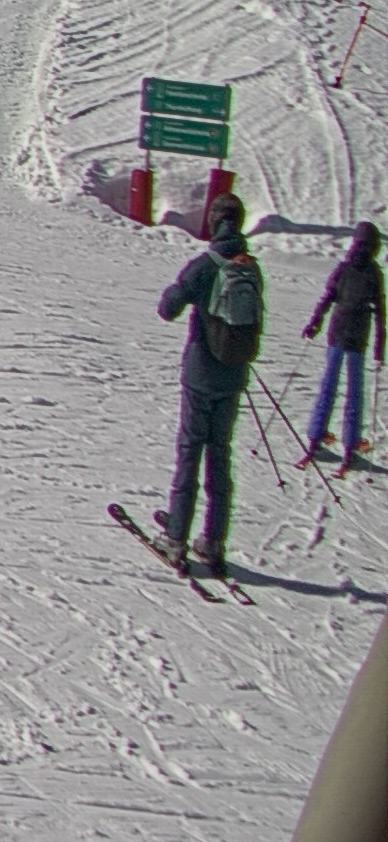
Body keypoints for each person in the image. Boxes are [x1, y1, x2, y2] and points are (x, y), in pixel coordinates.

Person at [157, 195, 267, 577]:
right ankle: (214, 542)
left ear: (214, 222)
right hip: (232, 377)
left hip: (201, 375)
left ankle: (176, 538)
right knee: (220, 454)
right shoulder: (250, 268)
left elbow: (168, 308)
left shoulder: (205, 266)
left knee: (190, 451)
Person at [307, 222, 386, 465]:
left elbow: (328, 297)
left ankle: (316, 436)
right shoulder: (374, 273)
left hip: (336, 333)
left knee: (328, 387)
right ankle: (351, 445)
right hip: (357, 338)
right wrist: (379, 347)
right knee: (354, 393)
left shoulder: (343, 268)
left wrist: (314, 323)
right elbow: (380, 313)